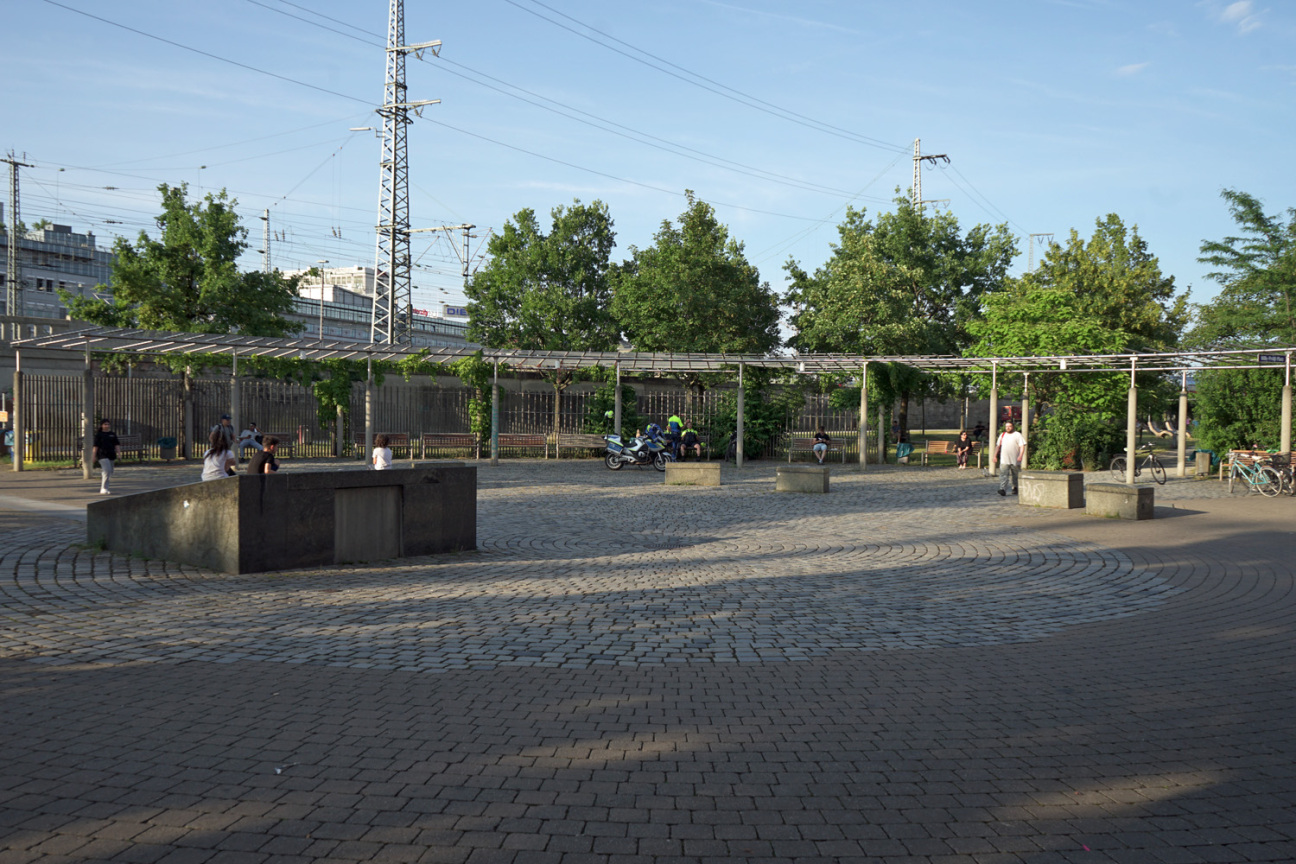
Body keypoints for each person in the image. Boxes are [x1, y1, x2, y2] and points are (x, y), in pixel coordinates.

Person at [994, 420, 1026, 496]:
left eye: (1009, 426)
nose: (1008, 428)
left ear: (1013, 427)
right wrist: (995, 455)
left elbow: (1022, 446)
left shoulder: (1017, 435)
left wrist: (1020, 455)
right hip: (1004, 459)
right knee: (1003, 474)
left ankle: (1015, 487)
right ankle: (1002, 489)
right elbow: (998, 446)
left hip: (1015, 459)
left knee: (1015, 475)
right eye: (1006, 426)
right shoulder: (1002, 435)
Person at [92, 419, 119, 495]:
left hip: (111, 455)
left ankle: (106, 488)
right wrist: (93, 456)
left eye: (108, 424)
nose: (107, 426)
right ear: (102, 425)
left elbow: (116, 444)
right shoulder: (99, 435)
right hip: (102, 455)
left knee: (110, 471)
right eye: (105, 424)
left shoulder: (112, 434)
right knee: (106, 470)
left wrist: (119, 453)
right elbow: (95, 446)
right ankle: (103, 488)